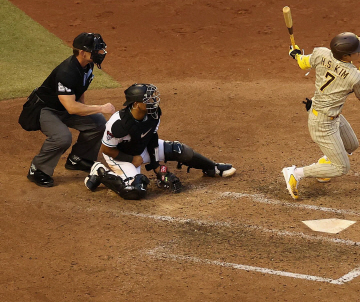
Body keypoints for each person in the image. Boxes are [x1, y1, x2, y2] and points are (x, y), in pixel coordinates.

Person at [84, 83, 236, 200]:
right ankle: (100, 172)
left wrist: (157, 167)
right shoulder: (118, 124)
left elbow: (152, 139)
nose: (153, 102)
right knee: (136, 190)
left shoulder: (153, 114)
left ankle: (212, 168)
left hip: (141, 148)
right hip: (120, 156)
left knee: (179, 150)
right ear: (136, 104)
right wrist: (131, 159)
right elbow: (107, 150)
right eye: (147, 99)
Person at [282, 32, 360, 199]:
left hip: (330, 115)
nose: (359, 52)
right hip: (322, 123)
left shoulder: (322, 53)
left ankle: (323, 168)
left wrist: (295, 54)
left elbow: (303, 63)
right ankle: (295, 173)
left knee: (351, 145)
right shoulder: (356, 77)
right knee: (342, 168)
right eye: (356, 50)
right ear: (346, 55)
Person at [26, 32, 116, 187]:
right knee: (62, 137)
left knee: (98, 122)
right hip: (45, 109)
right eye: (95, 50)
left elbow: (79, 91)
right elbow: (72, 107)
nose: (99, 53)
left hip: (64, 107)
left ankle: (78, 159)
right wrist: (101, 107)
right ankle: (37, 170)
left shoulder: (87, 65)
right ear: (82, 52)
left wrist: (88, 110)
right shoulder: (66, 72)